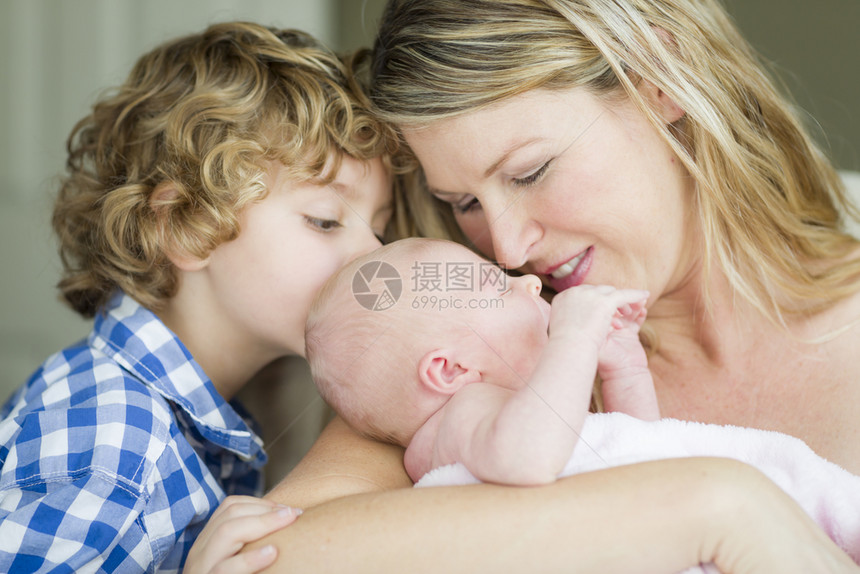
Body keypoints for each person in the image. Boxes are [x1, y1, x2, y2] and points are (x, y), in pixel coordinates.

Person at [244, 0, 860, 572]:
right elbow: (276, 556)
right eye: (464, 203)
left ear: (660, 78)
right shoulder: (462, 363)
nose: (509, 251)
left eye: (529, 171)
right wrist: (719, 509)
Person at [0, 22, 395, 573]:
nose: (374, 257)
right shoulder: (119, 438)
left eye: (381, 229)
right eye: (325, 221)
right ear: (185, 228)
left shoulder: (189, 420)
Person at [306, 237, 658, 484]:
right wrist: (574, 337)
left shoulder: (520, 411)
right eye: (502, 288)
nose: (531, 282)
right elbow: (529, 461)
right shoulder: (461, 416)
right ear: (450, 371)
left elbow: (640, 452)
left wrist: (624, 369)